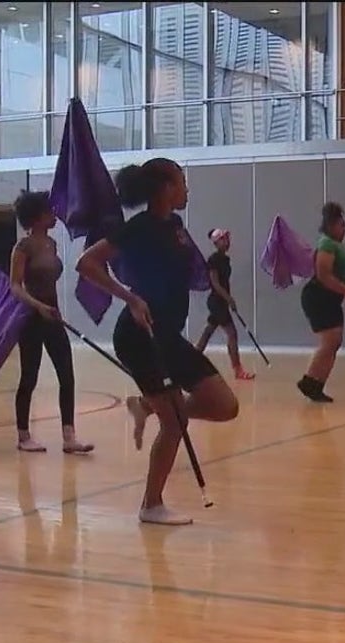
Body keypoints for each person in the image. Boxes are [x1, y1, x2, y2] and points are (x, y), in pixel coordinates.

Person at [76, 157, 239, 525]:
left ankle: (147, 407)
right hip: (141, 335)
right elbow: (87, 263)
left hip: (167, 334)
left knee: (225, 405)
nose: (186, 188)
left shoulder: (175, 226)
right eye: (181, 181)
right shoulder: (139, 227)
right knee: (175, 424)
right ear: (166, 188)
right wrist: (130, 298)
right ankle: (151, 505)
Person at [8, 190, 93, 455]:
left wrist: (51, 309)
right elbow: (15, 286)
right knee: (29, 376)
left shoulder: (52, 244)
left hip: (52, 315)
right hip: (31, 318)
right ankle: (23, 436)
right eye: (49, 211)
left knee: (66, 375)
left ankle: (69, 437)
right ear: (36, 217)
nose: (54, 214)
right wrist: (39, 306)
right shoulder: (22, 247)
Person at [297, 201, 345, 403]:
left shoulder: (333, 244)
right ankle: (309, 381)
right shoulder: (327, 244)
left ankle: (317, 384)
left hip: (331, 297)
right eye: (341, 225)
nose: (344, 229)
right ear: (331, 226)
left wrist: (342, 292)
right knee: (329, 341)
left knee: (335, 342)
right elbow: (323, 275)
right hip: (319, 296)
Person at [195, 228, 255, 380]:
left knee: (207, 332)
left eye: (227, 239)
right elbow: (215, 283)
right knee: (232, 333)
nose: (227, 242)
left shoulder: (225, 259)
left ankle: (191, 361)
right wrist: (229, 299)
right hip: (217, 302)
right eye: (223, 239)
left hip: (221, 301)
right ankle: (238, 370)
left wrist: (227, 299)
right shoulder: (213, 260)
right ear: (216, 243)